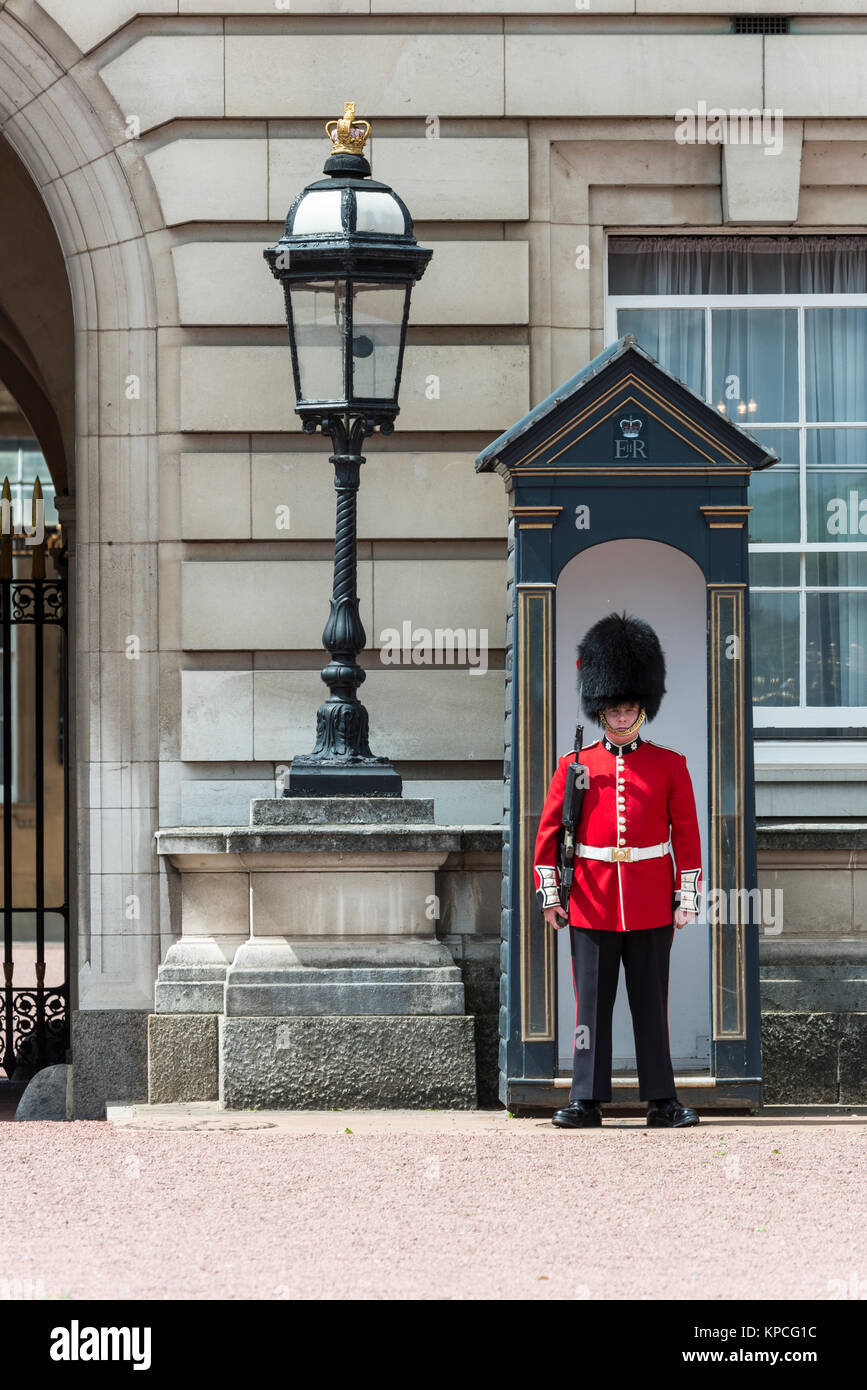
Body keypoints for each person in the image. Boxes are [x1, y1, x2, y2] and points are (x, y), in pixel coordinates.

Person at [533, 611, 703, 1129]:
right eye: (615, 706)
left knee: (651, 1005)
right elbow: (546, 837)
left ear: (642, 708)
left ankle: (661, 1099)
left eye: (630, 706)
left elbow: (687, 837)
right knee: (591, 1009)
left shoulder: (669, 765)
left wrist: (687, 896)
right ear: (601, 708)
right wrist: (551, 897)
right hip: (591, 897)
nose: (623, 715)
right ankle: (586, 1099)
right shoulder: (574, 765)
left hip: (651, 898)